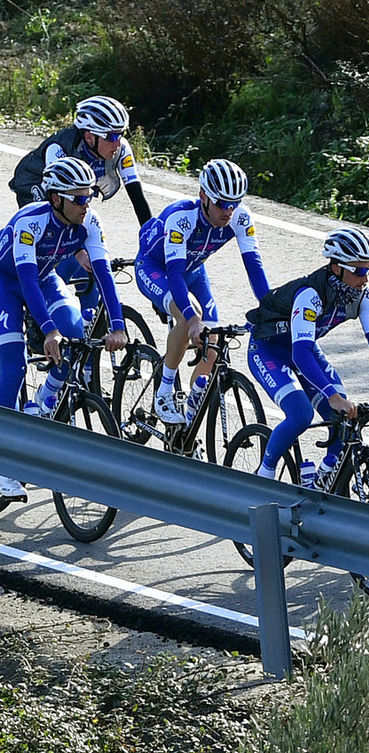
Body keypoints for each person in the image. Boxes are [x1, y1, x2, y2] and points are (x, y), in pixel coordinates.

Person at [0, 158, 129, 503]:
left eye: (89, 197)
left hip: (44, 278)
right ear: (56, 199)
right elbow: (24, 281)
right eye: (78, 199)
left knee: (76, 335)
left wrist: (118, 325)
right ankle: (5, 465)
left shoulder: (88, 221)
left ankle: (43, 404)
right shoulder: (31, 221)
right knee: (12, 366)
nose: (86, 205)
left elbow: (103, 273)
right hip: (7, 283)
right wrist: (47, 331)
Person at [245, 226, 369, 485]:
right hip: (269, 349)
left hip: (303, 348)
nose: (366, 278)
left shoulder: (362, 295)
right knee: (301, 414)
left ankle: (324, 477)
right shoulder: (311, 294)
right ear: (337, 267)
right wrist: (333, 396)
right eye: (359, 271)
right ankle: (264, 476)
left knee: (342, 418)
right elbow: (301, 352)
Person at [133, 158, 270, 423]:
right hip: (156, 268)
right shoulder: (181, 217)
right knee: (189, 315)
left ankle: (189, 420)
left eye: (235, 203)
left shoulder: (240, 218)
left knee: (214, 338)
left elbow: (254, 266)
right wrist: (192, 318)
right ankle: (163, 391)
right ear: (203, 196)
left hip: (194, 271)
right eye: (221, 203)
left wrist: (270, 308)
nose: (228, 211)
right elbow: (174, 274)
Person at [10, 96, 153, 326]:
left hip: (75, 197)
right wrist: (77, 250)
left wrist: (152, 243)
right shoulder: (59, 149)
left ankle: (86, 335)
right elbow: (57, 208)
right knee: (59, 243)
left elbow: (137, 198)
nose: (118, 143)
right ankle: (36, 307)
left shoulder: (119, 149)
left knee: (90, 253)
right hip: (38, 189)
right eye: (112, 136)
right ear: (89, 136)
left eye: (122, 133)